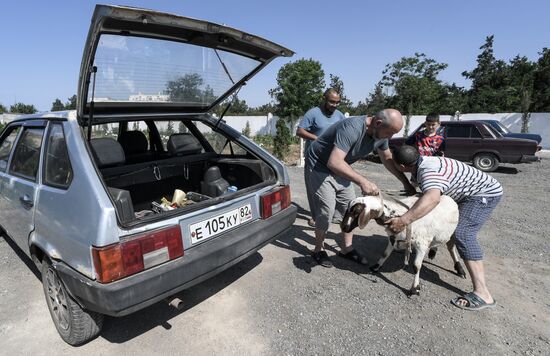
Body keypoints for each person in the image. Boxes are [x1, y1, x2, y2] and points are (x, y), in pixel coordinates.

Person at [387, 145, 503, 311]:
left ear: (403, 167)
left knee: (464, 234)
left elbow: (432, 198)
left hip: (483, 193)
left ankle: (483, 293)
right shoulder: (421, 163)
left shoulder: (429, 173)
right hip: (467, 190)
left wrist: (403, 220)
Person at [305, 109, 416, 268]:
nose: (390, 137)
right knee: (326, 210)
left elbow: (387, 158)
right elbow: (334, 162)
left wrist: (406, 183)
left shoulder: (380, 134)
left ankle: (347, 249)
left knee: (351, 208)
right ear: (378, 123)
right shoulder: (352, 128)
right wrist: (363, 181)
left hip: (341, 166)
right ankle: (318, 249)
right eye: (390, 133)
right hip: (320, 165)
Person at [297, 88, 346, 227]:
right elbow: (299, 131)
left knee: (333, 187)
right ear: (324, 99)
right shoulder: (313, 113)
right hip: (314, 159)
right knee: (314, 189)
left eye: (337, 102)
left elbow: (344, 131)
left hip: (332, 159)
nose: (335, 105)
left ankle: (331, 213)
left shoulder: (340, 115)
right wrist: (316, 138)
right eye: (332, 102)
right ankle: (315, 216)